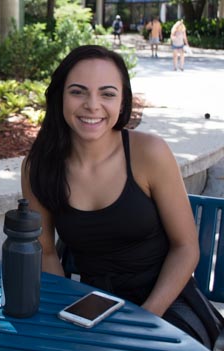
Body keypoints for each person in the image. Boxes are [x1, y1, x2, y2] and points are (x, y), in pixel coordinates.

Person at [21, 45, 223, 348]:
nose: (92, 105)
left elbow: (185, 248)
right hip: (94, 307)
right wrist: (65, 312)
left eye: (107, 93)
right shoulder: (39, 167)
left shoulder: (148, 152)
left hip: (167, 301)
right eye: (78, 92)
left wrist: (144, 318)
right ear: (59, 96)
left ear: (122, 100)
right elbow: (46, 252)